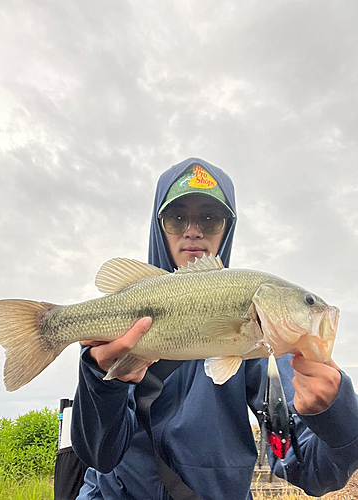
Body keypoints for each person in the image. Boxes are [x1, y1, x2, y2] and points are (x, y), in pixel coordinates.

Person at [71, 157, 358, 500]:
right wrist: (101, 381)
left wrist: (338, 416)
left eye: (210, 217)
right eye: (177, 217)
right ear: (158, 225)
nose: (193, 230)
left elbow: (309, 469)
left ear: (227, 228)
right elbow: (100, 455)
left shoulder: (261, 350)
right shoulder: (118, 329)